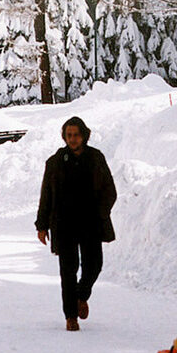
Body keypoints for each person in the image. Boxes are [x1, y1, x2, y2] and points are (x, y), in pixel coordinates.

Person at [35, 116, 117, 331]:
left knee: (94, 265)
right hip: (64, 224)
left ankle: (82, 294)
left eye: (76, 135)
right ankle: (70, 316)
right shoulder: (55, 162)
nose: (72, 139)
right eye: (69, 135)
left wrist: (101, 213)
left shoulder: (96, 158)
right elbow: (46, 196)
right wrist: (42, 225)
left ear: (84, 135)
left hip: (91, 223)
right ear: (64, 136)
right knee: (68, 271)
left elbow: (110, 190)